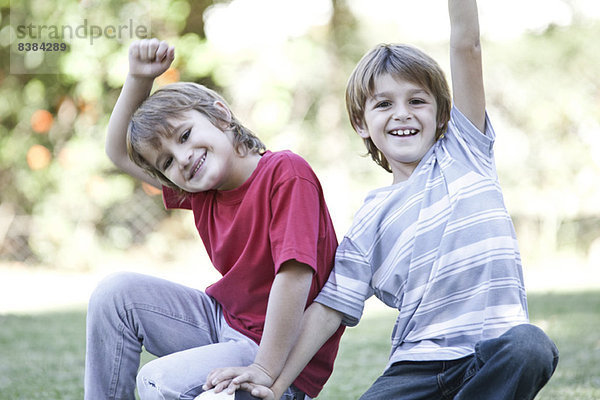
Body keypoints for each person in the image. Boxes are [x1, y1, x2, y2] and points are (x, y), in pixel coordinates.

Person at [204, 1, 559, 399]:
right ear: (362, 123)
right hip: (417, 369)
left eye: (417, 101)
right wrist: (273, 382)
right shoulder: (370, 220)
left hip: (494, 354)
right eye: (384, 104)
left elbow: (466, 45)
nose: (402, 114)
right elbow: (326, 311)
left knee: (531, 345)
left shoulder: (466, 154)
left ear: (443, 114)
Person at [84, 38, 344, 400]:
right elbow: (118, 153)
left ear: (221, 114)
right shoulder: (199, 191)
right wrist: (137, 78)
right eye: (167, 162)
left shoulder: (286, 173)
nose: (184, 158)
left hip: (276, 357)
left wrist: (265, 371)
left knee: (157, 380)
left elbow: (295, 277)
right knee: (115, 295)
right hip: (223, 322)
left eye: (186, 136)